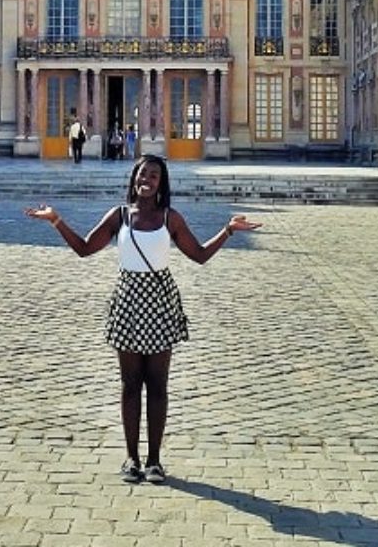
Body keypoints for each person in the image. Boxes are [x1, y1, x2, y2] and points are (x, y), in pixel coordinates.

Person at [25, 155, 260, 485]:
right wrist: (56, 220)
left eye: (153, 175)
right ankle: (131, 458)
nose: (146, 179)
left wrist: (228, 231)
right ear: (133, 178)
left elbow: (200, 255)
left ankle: (154, 461)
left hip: (160, 302)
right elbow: (84, 249)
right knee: (130, 384)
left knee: (158, 385)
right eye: (142, 174)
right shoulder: (119, 216)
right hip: (128, 301)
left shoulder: (170, 218)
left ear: (161, 183)